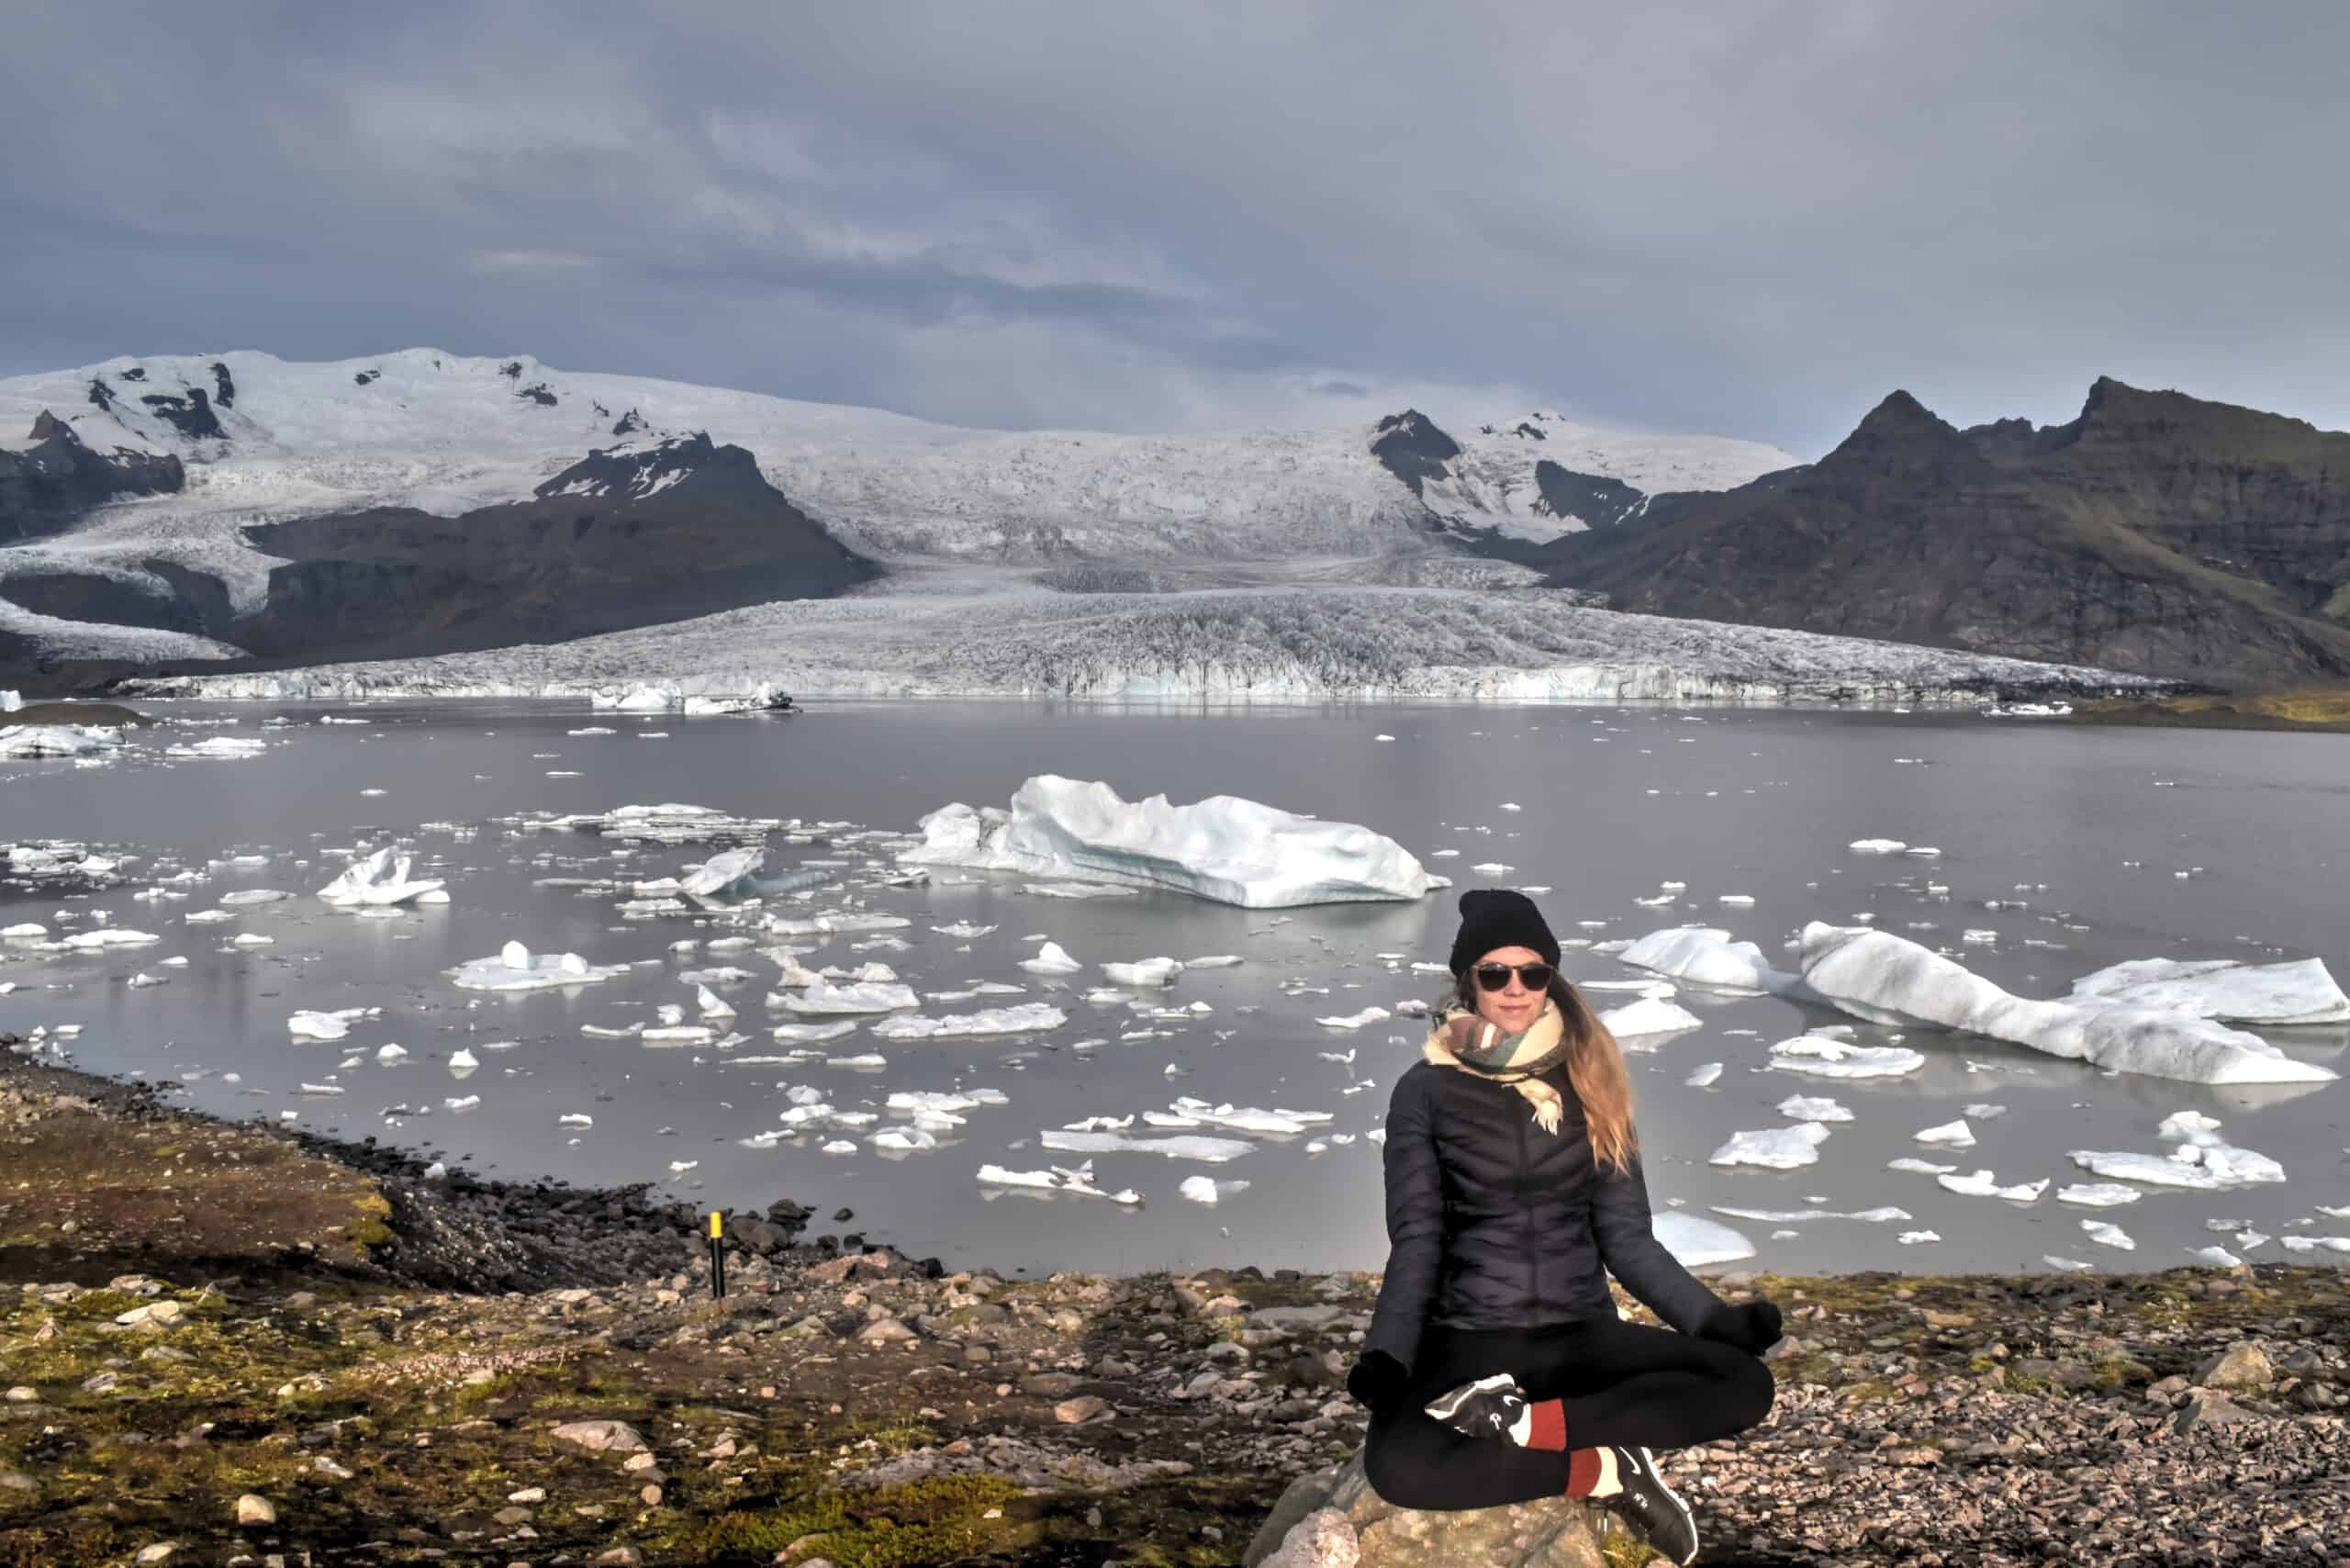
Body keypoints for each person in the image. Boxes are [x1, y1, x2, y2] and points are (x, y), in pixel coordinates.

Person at [1346, 889, 1782, 1565]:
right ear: (1469, 981)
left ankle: (1535, 1424)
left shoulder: (1592, 1077)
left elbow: (1627, 1238)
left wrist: (1712, 1322)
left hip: (1580, 1333)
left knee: (1745, 1383)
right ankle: (1605, 1471)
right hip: (1469, 1342)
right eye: (1495, 974)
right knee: (1398, 1468)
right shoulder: (1424, 1092)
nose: (1515, 989)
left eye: (1533, 972)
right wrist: (1389, 1354)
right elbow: (1418, 1239)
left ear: (1550, 978)